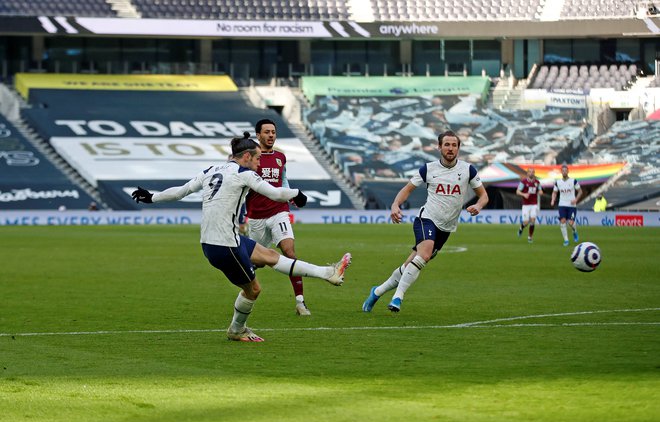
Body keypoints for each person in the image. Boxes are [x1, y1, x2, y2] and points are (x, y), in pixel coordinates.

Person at [131, 132, 351, 342]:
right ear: (246, 156)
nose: (259, 164)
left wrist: (151, 197)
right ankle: (236, 330)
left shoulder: (211, 169)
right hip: (225, 245)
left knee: (270, 256)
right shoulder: (244, 173)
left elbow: (181, 191)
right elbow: (274, 193)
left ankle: (328, 273)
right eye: (257, 158)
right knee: (253, 290)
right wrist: (297, 194)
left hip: (215, 240)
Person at [362, 130, 488, 313]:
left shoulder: (468, 170)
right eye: (447, 144)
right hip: (426, 219)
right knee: (425, 254)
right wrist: (395, 205)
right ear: (439, 147)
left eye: (454, 145)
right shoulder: (428, 169)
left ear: (459, 148)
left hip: (446, 228)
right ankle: (398, 297)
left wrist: (479, 205)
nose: (450, 148)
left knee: (411, 264)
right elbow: (408, 189)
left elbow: (483, 196)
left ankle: (377, 291)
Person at [245, 118, 312, 316]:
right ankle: (246, 295)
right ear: (258, 135)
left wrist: (291, 196)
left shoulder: (280, 157)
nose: (271, 135)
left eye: (273, 132)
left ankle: (300, 302)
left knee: (290, 253)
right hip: (256, 217)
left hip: (279, 212)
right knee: (253, 263)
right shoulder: (250, 158)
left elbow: (283, 181)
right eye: (266, 132)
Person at [550, 164, 583, 246]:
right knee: (563, 221)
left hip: (572, 205)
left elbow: (580, 191)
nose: (564, 172)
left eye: (566, 170)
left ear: (568, 171)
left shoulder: (573, 181)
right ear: (561, 172)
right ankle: (566, 240)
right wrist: (553, 200)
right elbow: (554, 192)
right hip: (562, 205)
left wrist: (576, 199)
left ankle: (574, 232)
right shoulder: (558, 182)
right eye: (563, 170)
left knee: (571, 223)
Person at [516, 167, 543, 243]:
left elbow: (541, 191)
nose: (531, 173)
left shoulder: (537, 182)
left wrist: (540, 192)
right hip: (526, 205)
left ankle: (530, 237)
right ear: (527, 173)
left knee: (533, 220)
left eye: (532, 172)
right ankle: (521, 228)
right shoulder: (523, 182)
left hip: (534, 204)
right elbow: (517, 191)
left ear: (534, 173)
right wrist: (524, 194)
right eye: (530, 172)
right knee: (526, 222)